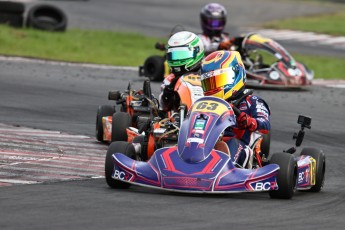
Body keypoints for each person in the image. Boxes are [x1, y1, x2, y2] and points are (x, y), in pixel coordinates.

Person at [200, 50, 270, 168]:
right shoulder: (206, 104)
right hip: (208, 145)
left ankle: (226, 170)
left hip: (241, 146)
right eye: (209, 84)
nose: (214, 88)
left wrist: (249, 121)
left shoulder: (251, 101)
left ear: (236, 75)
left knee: (229, 144)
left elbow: (265, 125)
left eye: (219, 81)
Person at [159, 31, 205, 112]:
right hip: (180, 118)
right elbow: (163, 106)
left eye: (182, 55)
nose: (178, 60)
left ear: (197, 51)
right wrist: (169, 91)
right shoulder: (169, 80)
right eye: (175, 56)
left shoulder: (207, 73)